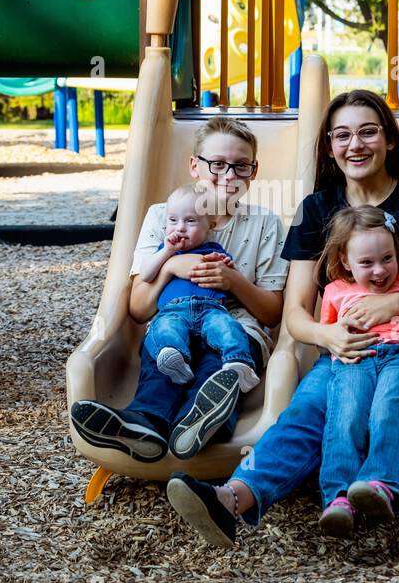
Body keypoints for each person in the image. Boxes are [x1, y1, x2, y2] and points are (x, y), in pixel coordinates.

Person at [166, 90, 399, 548]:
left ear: (390, 141)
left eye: (368, 132)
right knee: (305, 412)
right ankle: (232, 500)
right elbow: (296, 313)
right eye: (342, 135)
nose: (355, 145)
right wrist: (328, 335)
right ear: (328, 146)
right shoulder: (317, 209)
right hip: (350, 343)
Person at [71, 117, 288, 463]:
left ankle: (202, 421)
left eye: (240, 166)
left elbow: (273, 313)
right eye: (217, 164)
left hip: (235, 328)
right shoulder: (163, 217)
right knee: (165, 351)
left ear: (254, 170)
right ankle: (145, 423)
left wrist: (233, 281)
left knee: (219, 364)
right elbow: (140, 309)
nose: (228, 176)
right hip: (173, 320)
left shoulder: (265, 224)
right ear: (194, 166)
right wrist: (170, 265)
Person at [313, 206, 399, 538]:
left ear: (398, 253)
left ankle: (383, 484)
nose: (380, 270)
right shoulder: (337, 290)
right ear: (345, 261)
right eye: (367, 263)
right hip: (357, 355)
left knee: (387, 410)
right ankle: (339, 498)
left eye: (387, 258)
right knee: (347, 415)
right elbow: (327, 339)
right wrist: (340, 328)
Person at [136, 182, 260, 396]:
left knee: (228, 328)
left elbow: (231, 280)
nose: (180, 227)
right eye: (173, 220)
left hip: (211, 309)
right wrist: (167, 254)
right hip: (172, 309)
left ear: (210, 226)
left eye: (191, 221)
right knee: (164, 328)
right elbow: (146, 274)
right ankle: (175, 361)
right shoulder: (164, 252)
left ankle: (239, 365)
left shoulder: (216, 252)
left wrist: (229, 269)